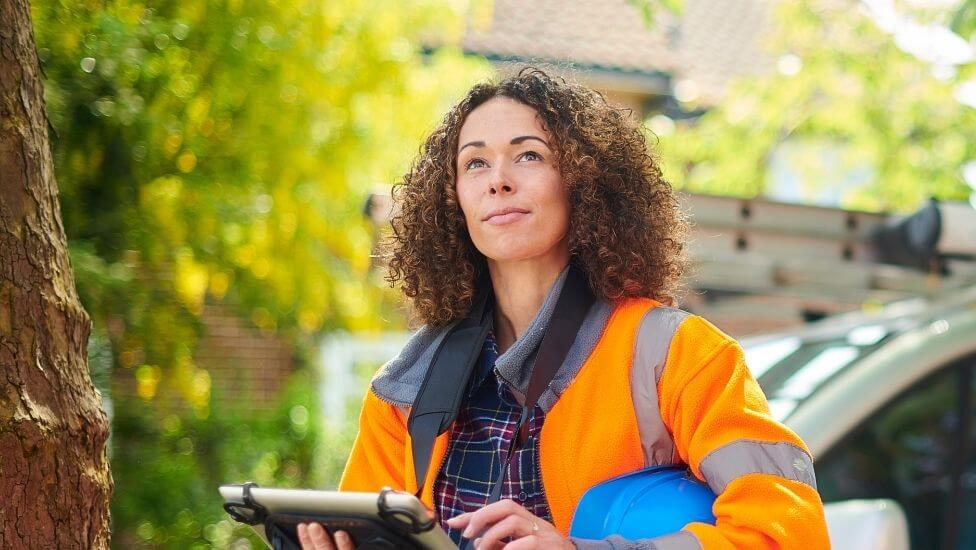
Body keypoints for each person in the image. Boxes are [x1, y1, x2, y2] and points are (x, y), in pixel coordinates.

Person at [298, 68, 830, 550]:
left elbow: (792, 532)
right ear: (453, 200)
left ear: (584, 182)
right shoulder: (403, 390)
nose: (497, 180)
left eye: (528, 155)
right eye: (475, 162)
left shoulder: (677, 354)